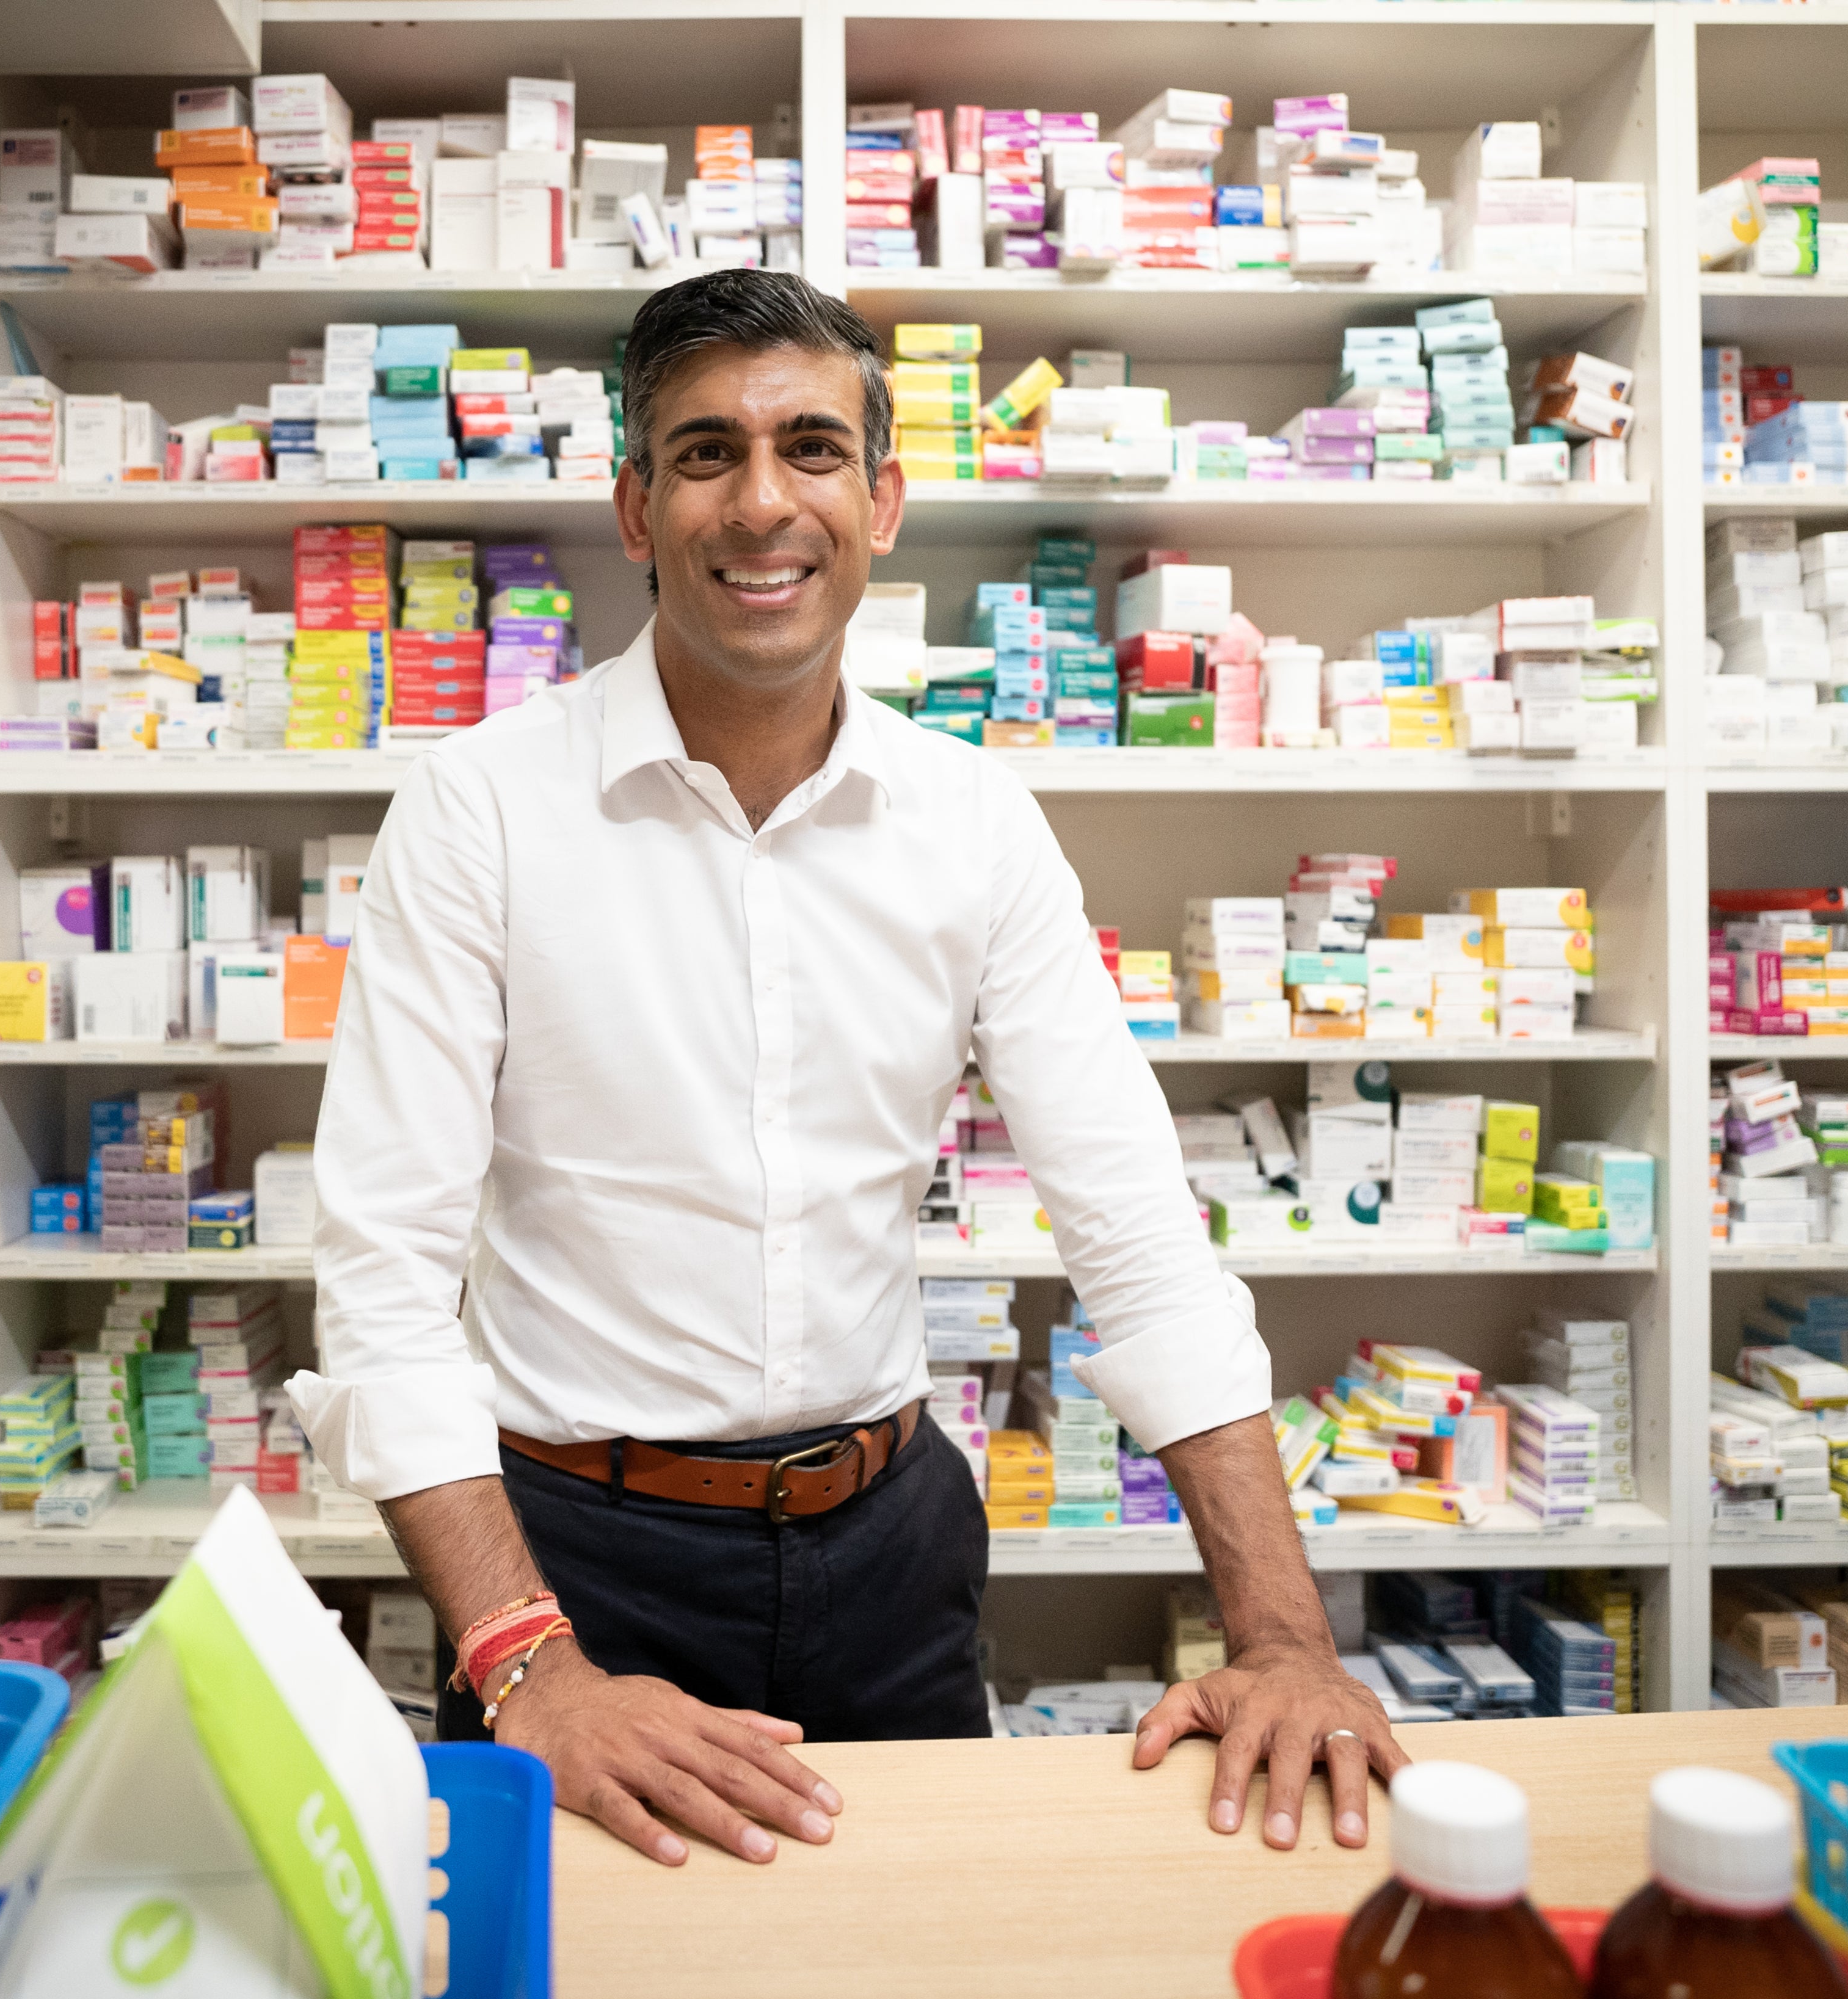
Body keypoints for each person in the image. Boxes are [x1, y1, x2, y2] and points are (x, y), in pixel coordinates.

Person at [287, 269, 1406, 1869]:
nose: (763, 503)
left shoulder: (973, 821)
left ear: (882, 502)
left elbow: (1142, 1238)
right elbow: (385, 1285)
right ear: (634, 507)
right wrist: (528, 1664)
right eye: (703, 454)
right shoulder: (482, 812)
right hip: (577, 1567)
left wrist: (1285, 1633)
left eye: (812, 450)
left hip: (892, 1547)